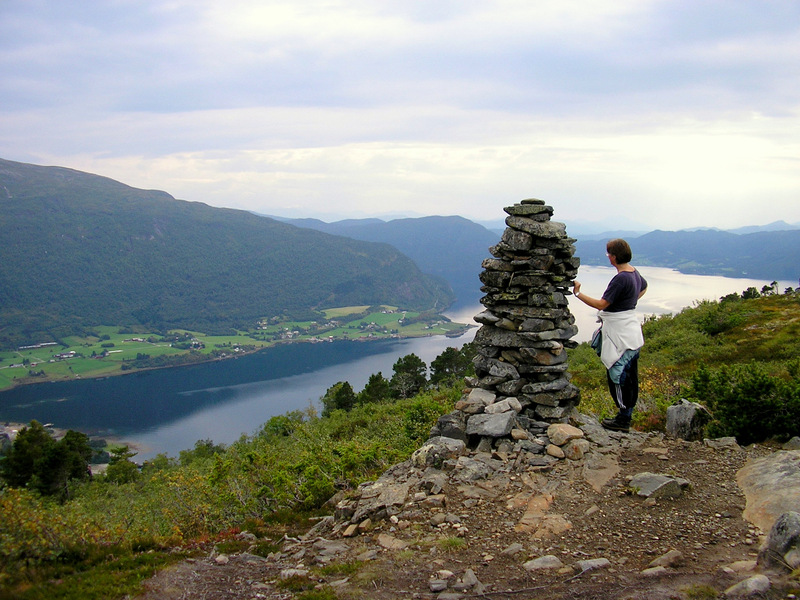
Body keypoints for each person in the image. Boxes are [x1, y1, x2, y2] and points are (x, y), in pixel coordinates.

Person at [572, 239, 648, 432]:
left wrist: (578, 293)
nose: (608, 257)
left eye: (608, 254)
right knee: (630, 377)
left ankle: (623, 420)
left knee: (618, 374)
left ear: (614, 257)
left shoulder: (621, 278)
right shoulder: (634, 272)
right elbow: (644, 287)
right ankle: (626, 416)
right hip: (631, 332)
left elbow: (601, 304)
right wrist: (628, 303)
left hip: (620, 334)